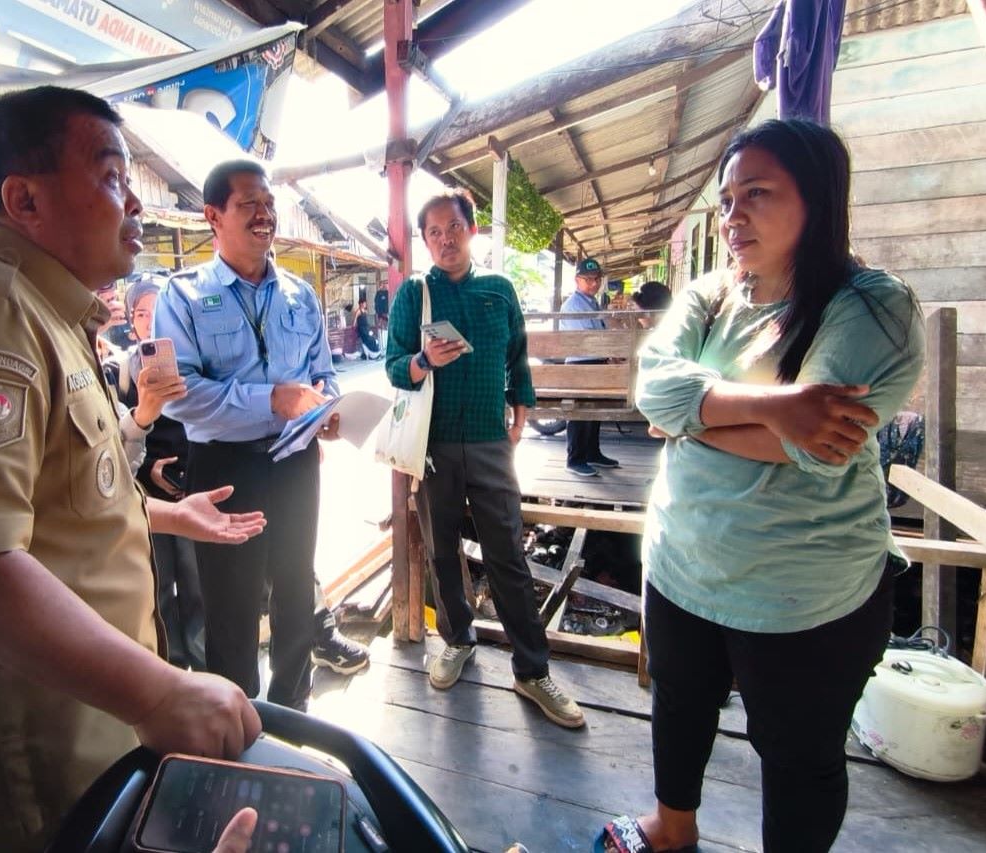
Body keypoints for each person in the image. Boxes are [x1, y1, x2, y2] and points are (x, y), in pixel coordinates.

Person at [0, 86, 264, 852]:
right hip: (16, 783)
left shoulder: (49, 315)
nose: (135, 201)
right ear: (24, 199)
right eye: (111, 175)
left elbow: (54, 499)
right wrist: (160, 689)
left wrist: (168, 514)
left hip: (79, 746)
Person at [602, 119, 924, 853]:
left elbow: (821, 449)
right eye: (726, 198)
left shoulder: (871, 306)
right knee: (679, 706)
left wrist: (693, 417)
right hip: (684, 562)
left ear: (817, 198)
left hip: (805, 593)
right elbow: (652, 386)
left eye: (758, 193)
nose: (734, 214)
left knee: (800, 755)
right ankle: (670, 829)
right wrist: (777, 406)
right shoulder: (712, 295)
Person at [385, 187, 584, 730]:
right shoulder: (415, 294)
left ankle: (532, 668)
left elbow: (517, 354)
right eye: (433, 233)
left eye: (453, 228)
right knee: (442, 549)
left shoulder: (499, 290)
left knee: (508, 555)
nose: (445, 239)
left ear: (472, 230)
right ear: (425, 241)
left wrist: (522, 407)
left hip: (492, 442)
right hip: (433, 444)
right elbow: (393, 366)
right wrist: (424, 360)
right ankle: (457, 639)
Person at [155, 159, 338, 712]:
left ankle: (293, 709)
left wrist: (326, 403)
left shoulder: (300, 295)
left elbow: (322, 369)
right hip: (224, 469)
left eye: (269, 203)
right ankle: (237, 718)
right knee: (230, 604)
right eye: (248, 204)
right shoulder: (182, 295)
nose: (265, 215)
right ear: (213, 216)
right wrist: (272, 400)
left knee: (295, 588)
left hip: (297, 461)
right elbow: (181, 393)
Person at [105, 273, 207, 671]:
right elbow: (116, 439)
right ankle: (168, 669)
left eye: (159, 310)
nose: (151, 321)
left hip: (194, 493)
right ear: (131, 321)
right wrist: (151, 469)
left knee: (199, 586)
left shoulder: (200, 367)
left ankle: (203, 669)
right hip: (145, 498)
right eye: (142, 313)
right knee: (157, 585)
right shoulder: (122, 372)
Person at [560, 257, 618, 476]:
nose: (593, 283)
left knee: (595, 412)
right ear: (577, 280)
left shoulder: (592, 302)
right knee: (579, 412)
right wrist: (608, 353)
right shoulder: (574, 305)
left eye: (596, 279)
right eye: (588, 279)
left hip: (594, 362)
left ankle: (592, 453)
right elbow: (588, 341)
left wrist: (608, 355)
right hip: (580, 365)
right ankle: (574, 459)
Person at [355, 294, 382, 359]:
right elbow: (355, 320)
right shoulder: (358, 311)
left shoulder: (365, 311)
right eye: (364, 303)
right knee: (369, 340)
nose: (365, 304)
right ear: (361, 304)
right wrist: (354, 328)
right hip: (362, 329)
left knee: (374, 338)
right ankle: (370, 354)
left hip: (366, 328)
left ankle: (375, 353)